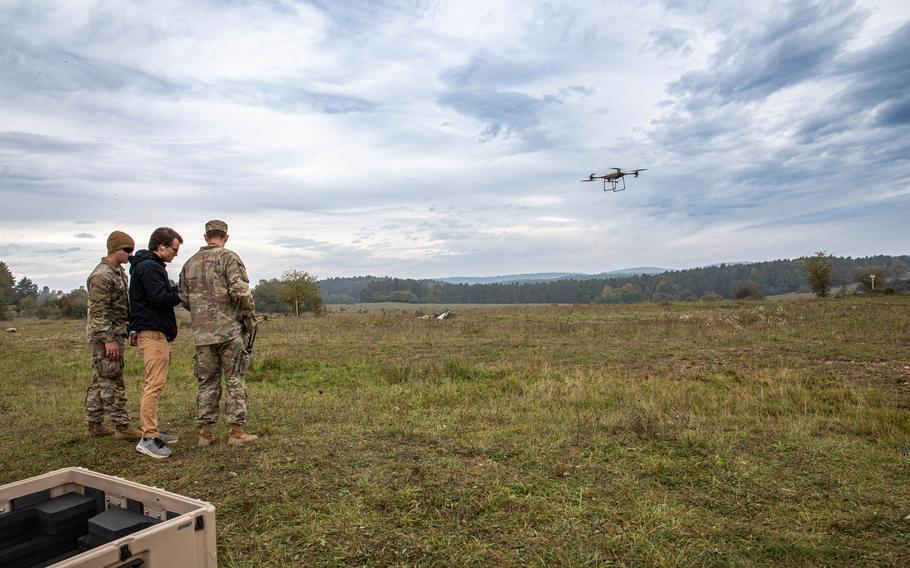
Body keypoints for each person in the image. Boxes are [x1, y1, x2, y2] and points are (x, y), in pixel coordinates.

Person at [179, 220, 258, 447]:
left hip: (202, 335)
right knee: (234, 380)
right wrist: (248, 319)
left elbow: (184, 298)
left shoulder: (189, 264)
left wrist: (203, 314)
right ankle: (236, 432)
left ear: (206, 237)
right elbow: (241, 292)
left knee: (207, 383)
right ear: (226, 237)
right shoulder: (229, 258)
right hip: (229, 331)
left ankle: (205, 434)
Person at [129, 227, 184, 459]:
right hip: (152, 333)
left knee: (155, 383)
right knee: (154, 384)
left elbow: (158, 294)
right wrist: (183, 292)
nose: (175, 254)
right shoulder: (150, 267)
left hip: (155, 331)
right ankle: (148, 437)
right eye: (174, 249)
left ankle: (152, 430)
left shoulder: (149, 266)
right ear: (161, 247)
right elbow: (160, 298)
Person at [85, 231, 142, 441]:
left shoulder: (117, 272)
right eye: (126, 250)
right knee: (111, 379)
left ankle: (94, 424)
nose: (130, 254)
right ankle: (122, 425)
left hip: (116, 332)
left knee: (99, 379)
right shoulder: (102, 275)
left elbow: (120, 307)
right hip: (105, 336)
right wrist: (108, 339)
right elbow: (99, 311)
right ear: (113, 249)